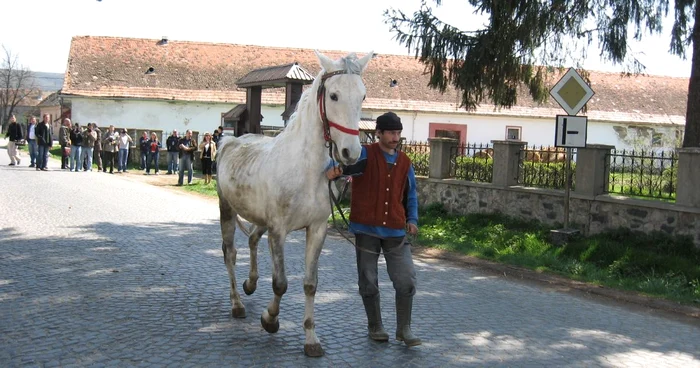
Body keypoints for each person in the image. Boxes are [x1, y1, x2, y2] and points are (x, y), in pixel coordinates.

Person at [325, 111, 421, 347]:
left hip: (396, 232)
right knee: (368, 280)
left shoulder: (405, 163)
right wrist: (332, 170)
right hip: (366, 230)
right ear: (379, 133)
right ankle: (375, 326)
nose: (395, 137)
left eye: (398, 132)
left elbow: (410, 195)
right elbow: (341, 165)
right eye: (390, 132)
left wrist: (413, 219)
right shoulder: (365, 154)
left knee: (406, 280)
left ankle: (404, 329)